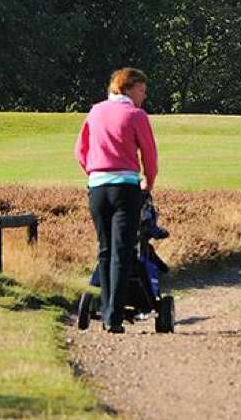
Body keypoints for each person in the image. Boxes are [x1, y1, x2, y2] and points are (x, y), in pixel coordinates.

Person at [75, 67, 160, 333]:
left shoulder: (95, 111)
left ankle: (105, 307)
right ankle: (113, 316)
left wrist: (93, 173)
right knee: (122, 252)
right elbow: (150, 156)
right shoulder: (136, 115)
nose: (144, 95)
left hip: (98, 188)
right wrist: (149, 183)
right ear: (129, 87)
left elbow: (80, 151)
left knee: (105, 250)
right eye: (142, 90)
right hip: (125, 187)